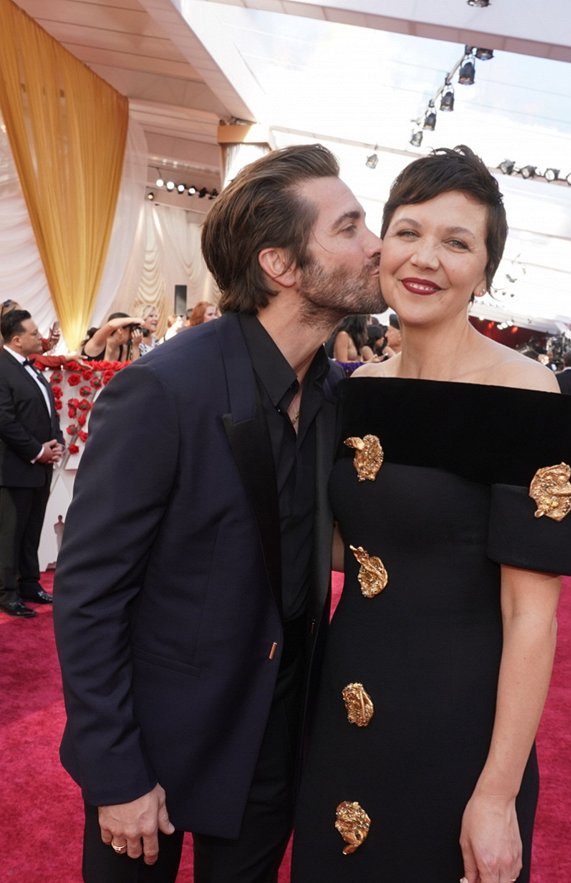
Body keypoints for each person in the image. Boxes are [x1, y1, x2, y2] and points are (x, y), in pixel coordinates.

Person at [291, 146, 571, 883]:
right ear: (382, 244)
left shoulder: (528, 394)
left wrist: (497, 791)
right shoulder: (355, 388)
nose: (425, 258)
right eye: (409, 232)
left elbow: (530, 616)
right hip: (342, 703)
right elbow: (348, 541)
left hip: (454, 725)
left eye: (456, 242)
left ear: (485, 270)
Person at [53, 143, 384, 883]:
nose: (376, 245)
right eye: (350, 227)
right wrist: (116, 773)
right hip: (156, 741)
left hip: (275, 735)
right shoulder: (164, 390)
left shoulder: (339, 396)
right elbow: (90, 593)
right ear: (281, 264)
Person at [0, 310, 64, 617]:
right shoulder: (2, 369)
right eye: (34, 332)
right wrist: (37, 451)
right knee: (10, 534)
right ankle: (6, 592)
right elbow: (4, 420)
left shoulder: (33, 370)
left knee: (32, 530)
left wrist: (57, 440)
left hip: (39, 465)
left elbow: (48, 410)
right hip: (15, 466)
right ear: (16, 339)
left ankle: (29, 583)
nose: (40, 336)